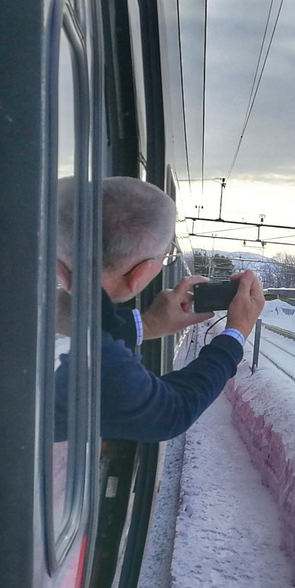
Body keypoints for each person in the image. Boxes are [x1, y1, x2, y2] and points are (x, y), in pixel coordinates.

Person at [55, 176, 265, 442]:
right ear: (139, 273)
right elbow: (171, 412)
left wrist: (148, 324)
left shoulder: (21, 298)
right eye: (166, 257)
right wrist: (235, 333)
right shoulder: (103, 364)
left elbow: (85, 325)